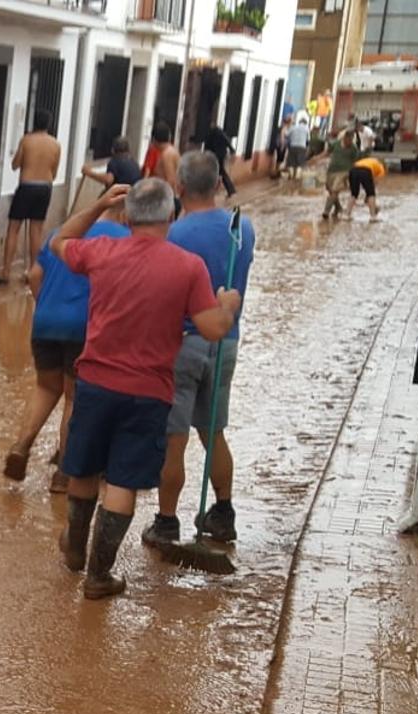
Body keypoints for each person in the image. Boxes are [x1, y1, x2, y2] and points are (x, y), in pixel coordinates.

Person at [51, 180, 241, 599]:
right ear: (171, 215)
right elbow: (211, 330)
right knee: (121, 481)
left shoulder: (103, 251)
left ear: (128, 215)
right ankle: (99, 576)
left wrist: (99, 203)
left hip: (96, 383)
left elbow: (60, 240)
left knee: (82, 468)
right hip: (149, 392)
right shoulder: (189, 267)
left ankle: (74, 550)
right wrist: (227, 305)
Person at [142, 152, 257, 550]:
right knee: (213, 432)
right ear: (219, 185)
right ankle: (223, 514)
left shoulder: (174, 236)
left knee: (174, 438)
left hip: (184, 342)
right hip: (226, 341)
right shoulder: (244, 229)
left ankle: (166, 522)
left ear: (179, 187)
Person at [4, 200, 131, 493]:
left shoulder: (62, 232)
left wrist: (47, 306)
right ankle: (63, 474)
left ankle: (21, 446)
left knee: (45, 387)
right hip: (84, 327)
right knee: (74, 398)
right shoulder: (124, 240)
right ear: (126, 213)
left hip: (45, 321)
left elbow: (33, 275)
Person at [0, 110, 62, 284]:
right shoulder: (55, 144)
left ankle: (6, 271)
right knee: (36, 230)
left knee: (14, 228)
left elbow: (15, 164)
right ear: (48, 124)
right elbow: (54, 173)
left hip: (27, 186)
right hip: (45, 188)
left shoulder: (26, 140)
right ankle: (33, 270)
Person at [320, 128, 361, 220]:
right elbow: (326, 153)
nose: (349, 142)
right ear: (344, 138)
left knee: (335, 190)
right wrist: (316, 159)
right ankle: (338, 208)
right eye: (348, 139)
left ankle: (326, 212)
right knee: (330, 191)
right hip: (331, 171)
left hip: (344, 172)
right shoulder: (336, 144)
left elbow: (355, 162)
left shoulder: (353, 148)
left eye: (351, 140)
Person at [203, 124, 237, 199]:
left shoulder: (211, 133)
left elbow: (206, 146)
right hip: (220, 155)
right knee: (219, 172)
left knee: (218, 171)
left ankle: (229, 189)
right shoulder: (220, 133)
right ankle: (228, 190)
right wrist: (232, 151)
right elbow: (227, 141)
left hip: (214, 156)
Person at [349, 154, 385, 221]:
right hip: (365, 170)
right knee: (371, 194)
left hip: (353, 169)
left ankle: (347, 215)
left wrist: (367, 197)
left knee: (354, 193)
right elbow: (373, 184)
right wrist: (368, 197)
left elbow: (366, 184)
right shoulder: (381, 168)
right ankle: (373, 217)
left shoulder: (370, 161)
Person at [285, 114, 311, 179]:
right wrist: (307, 148)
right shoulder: (307, 129)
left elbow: (287, 135)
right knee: (300, 162)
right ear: (305, 123)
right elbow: (308, 140)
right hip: (302, 147)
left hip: (293, 146)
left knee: (291, 161)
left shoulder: (293, 127)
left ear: (299, 122)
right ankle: (297, 175)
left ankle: (291, 174)